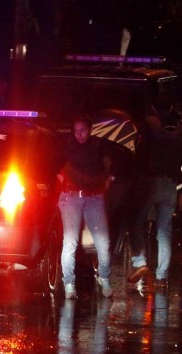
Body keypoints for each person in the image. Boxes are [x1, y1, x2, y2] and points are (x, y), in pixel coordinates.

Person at [127, 93, 182, 290]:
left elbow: (139, 154)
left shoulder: (148, 125)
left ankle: (140, 262)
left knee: (136, 222)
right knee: (164, 231)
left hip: (150, 182)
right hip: (170, 184)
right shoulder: (181, 128)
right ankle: (162, 275)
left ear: (154, 108)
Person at [57, 114, 116, 299]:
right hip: (71, 198)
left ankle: (104, 278)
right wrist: (60, 178)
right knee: (70, 242)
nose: (79, 135)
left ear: (89, 130)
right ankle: (69, 284)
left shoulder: (98, 145)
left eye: (82, 130)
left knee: (103, 242)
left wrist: (110, 179)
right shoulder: (68, 146)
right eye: (76, 131)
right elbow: (52, 163)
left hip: (94, 198)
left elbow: (115, 162)